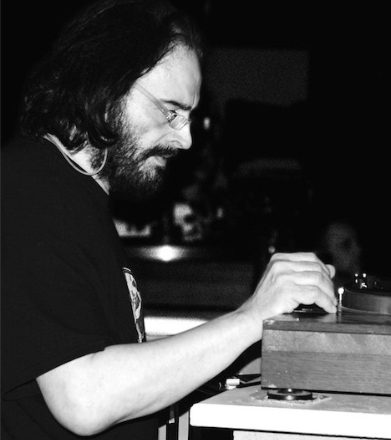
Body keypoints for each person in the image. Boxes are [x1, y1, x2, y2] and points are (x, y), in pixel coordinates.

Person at [0, 1, 337, 439]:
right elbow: (84, 397)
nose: (186, 138)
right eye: (170, 111)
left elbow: (105, 365)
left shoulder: (75, 196)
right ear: (103, 84)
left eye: (189, 116)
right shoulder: (26, 188)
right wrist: (250, 318)